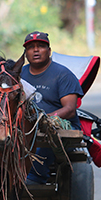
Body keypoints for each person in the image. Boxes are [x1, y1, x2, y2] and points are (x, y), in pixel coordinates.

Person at [20, 31, 84, 184]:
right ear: (25, 53)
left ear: (49, 51)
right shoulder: (18, 74)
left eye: (41, 46)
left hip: (57, 125)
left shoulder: (63, 74)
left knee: (46, 135)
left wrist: (44, 120)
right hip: (26, 126)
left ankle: (35, 177)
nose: (36, 50)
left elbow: (69, 109)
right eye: (31, 48)